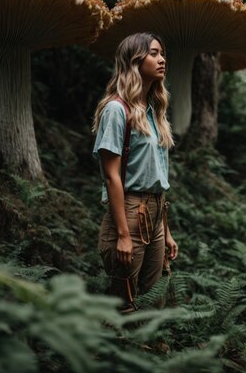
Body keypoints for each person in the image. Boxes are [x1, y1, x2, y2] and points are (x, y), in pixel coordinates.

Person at [91, 32, 178, 313]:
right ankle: (119, 351)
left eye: (162, 53)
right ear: (134, 60)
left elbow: (157, 177)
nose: (162, 59)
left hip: (156, 211)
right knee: (125, 301)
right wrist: (123, 235)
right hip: (129, 211)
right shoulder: (116, 110)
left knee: (154, 298)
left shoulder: (153, 111)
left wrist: (166, 230)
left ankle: (150, 351)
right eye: (153, 53)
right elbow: (112, 176)